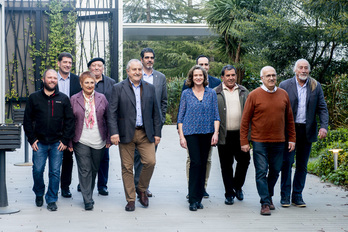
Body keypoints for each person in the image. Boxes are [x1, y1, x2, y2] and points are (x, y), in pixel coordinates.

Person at [240, 66, 296, 216]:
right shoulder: (254, 95)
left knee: (276, 171)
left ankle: (268, 195)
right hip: (259, 141)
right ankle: (265, 202)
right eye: (268, 76)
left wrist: (292, 139)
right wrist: (244, 141)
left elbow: (290, 120)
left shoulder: (283, 95)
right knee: (261, 172)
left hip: (279, 141)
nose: (271, 78)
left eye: (274, 75)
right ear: (262, 78)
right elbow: (245, 121)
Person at [108, 59, 162, 211]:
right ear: (128, 71)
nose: (137, 72)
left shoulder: (150, 88)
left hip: (146, 133)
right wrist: (114, 133)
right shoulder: (118, 88)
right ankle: (130, 199)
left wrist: (158, 133)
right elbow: (111, 113)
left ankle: (142, 189)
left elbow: (156, 113)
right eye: (134, 69)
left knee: (150, 162)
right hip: (125, 133)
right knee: (127, 167)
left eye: (139, 69)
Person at [279, 59, 329, 207]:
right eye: (300, 67)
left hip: (306, 131)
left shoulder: (315, 86)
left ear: (309, 70)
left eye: (306, 68)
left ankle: (297, 196)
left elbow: (322, 108)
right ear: (295, 70)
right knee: (287, 163)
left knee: (302, 165)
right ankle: (285, 196)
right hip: (290, 131)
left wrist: (323, 126)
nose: (303, 70)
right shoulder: (285, 85)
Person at [23, 69, 74, 211]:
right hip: (39, 143)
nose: (52, 80)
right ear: (43, 79)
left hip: (57, 143)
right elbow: (27, 120)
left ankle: (52, 199)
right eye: (49, 78)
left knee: (55, 172)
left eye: (54, 78)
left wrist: (65, 140)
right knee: (38, 170)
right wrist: (32, 139)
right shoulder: (34, 98)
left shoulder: (63, 98)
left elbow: (70, 121)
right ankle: (39, 193)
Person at [177, 65, 220, 211]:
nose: (198, 77)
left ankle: (199, 197)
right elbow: (180, 117)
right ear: (191, 77)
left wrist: (216, 133)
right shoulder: (186, 94)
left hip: (207, 133)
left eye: (201, 75)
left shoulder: (211, 93)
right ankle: (192, 198)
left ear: (204, 77)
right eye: (195, 75)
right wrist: (182, 137)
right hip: (191, 133)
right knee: (195, 163)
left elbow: (216, 115)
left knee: (203, 164)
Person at [68, 71, 111, 210]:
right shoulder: (74, 99)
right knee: (85, 169)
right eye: (86, 82)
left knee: (93, 169)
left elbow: (108, 118)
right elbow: (69, 122)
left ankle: (89, 192)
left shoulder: (102, 98)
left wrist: (109, 138)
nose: (89, 85)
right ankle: (88, 199)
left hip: (99, 139)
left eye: (92, 82)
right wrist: (69, 142)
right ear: (81, 84)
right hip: (81, 139)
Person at [133, 48, 167, 197]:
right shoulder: (135, 75)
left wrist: (161, 121)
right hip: (136, 125)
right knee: (137, 158)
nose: (149, 60)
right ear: (141, 59)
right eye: (146, 57)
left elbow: (163, 101)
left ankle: (143, 187)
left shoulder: (160, 77)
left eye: (152, 57)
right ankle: (138, 187)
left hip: (153, 126)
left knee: (149, 160)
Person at [215, 65, 250, 205]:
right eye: (228, 75)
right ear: (222, 77)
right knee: (226, 165)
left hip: (241, 135)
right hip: (224, 134)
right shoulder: (215, 92)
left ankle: (237, 186)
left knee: (244, 161)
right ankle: (229, 193)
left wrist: (249, 135)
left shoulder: (243, 91)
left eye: (233, 75)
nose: (231, 78)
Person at [87, 57, 116, 196]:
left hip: (104, 126)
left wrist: (112, 132)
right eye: (94, 65)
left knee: (104, 157)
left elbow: (114, 107)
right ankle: (85, 183)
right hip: (87, 126)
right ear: (89, 68)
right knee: (86, 157)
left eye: (100, 65)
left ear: (103, 68)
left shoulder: (111, 83)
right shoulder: (84, 81)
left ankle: (102, 185)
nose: (97, 68)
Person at [57, 52, 81, 198]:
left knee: (68, 157)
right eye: (65, 62)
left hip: (71, 124)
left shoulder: (77, 80)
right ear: (58, 63)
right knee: (53, 158)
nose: (67, 65)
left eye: (70, 63)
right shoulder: (52, 79)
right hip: (53, 123)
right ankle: (53, 185)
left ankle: (65, 187)